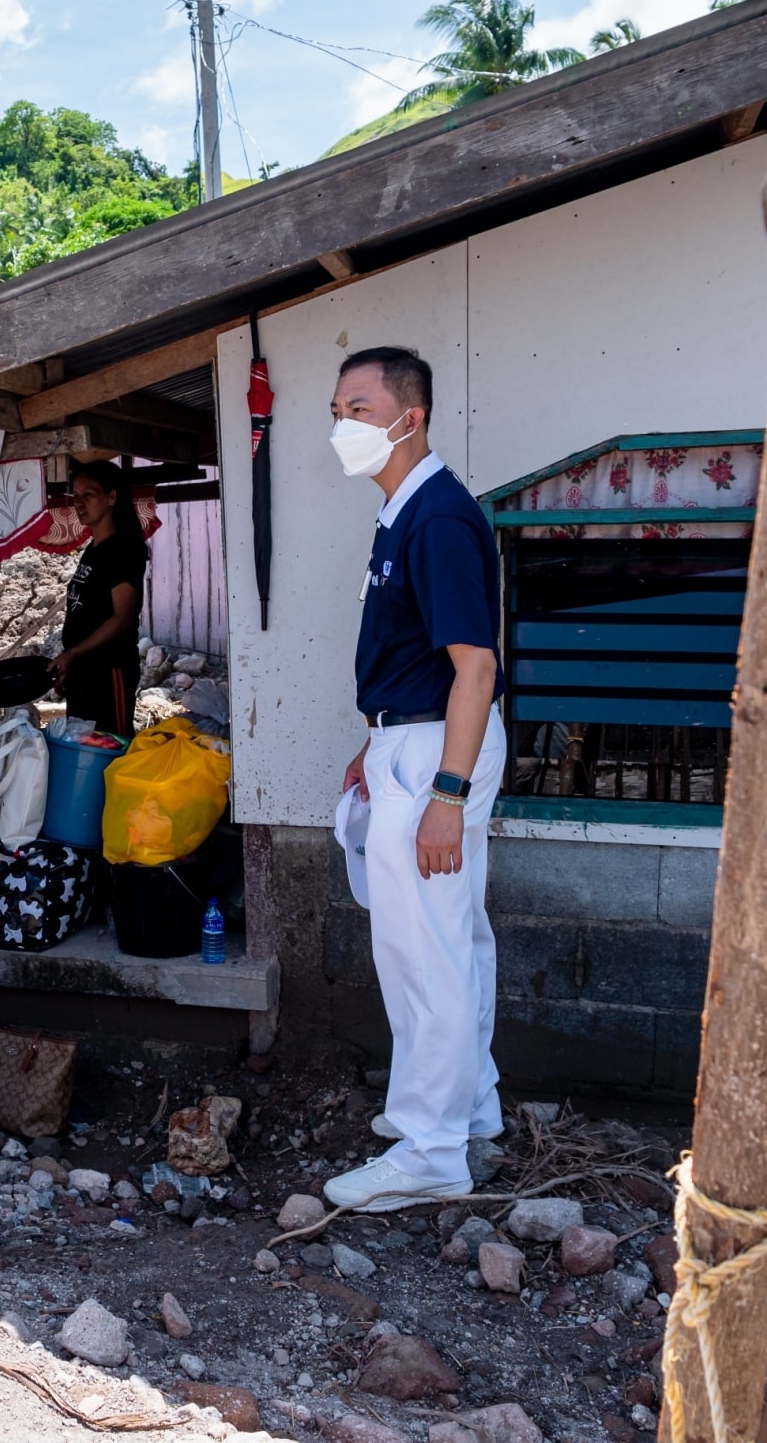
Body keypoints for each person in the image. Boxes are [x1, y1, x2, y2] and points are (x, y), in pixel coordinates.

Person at [322, 346, 507, 1213]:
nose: (342, 426)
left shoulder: (434, 517)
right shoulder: (403, 514)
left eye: (358, 408)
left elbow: (476, 667)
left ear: (411, 416)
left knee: (421, 954)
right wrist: (377, 740)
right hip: (415, 737)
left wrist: (447, 793)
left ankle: (432, 1150)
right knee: (454, 940)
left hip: (442, 751)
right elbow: (416, 656)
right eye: (338, 409)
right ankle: (468, 1107)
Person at [50, 459, 148, 735]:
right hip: (84, 671)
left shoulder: (123, 548)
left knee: (109, 746)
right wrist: (72, 660)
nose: (79, 503)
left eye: (88, 495)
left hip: (109, 672)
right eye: (76, 496)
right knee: (83, 748)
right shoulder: (94, 548)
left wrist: (74, 653)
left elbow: (123, 617)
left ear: (112, 497)